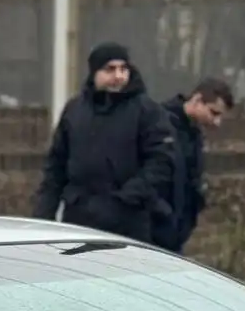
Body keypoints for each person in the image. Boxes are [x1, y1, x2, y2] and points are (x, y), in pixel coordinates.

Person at [31, 42, 174, 244]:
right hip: (79, 217)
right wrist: (44, 214)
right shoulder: (75, 110)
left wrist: (126, 199)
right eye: (110, 69)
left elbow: (161, 162)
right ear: (94, 73)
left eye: (123, 69)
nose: (118, 76)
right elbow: (56, 166)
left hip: (129, 221)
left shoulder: (147, 111)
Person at [154, 76, 234, 251]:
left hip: (175, 234)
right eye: (214, 113)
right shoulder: (158, 125)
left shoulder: (194, 134)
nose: (217, 122)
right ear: (197, 100)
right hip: (155, 232)